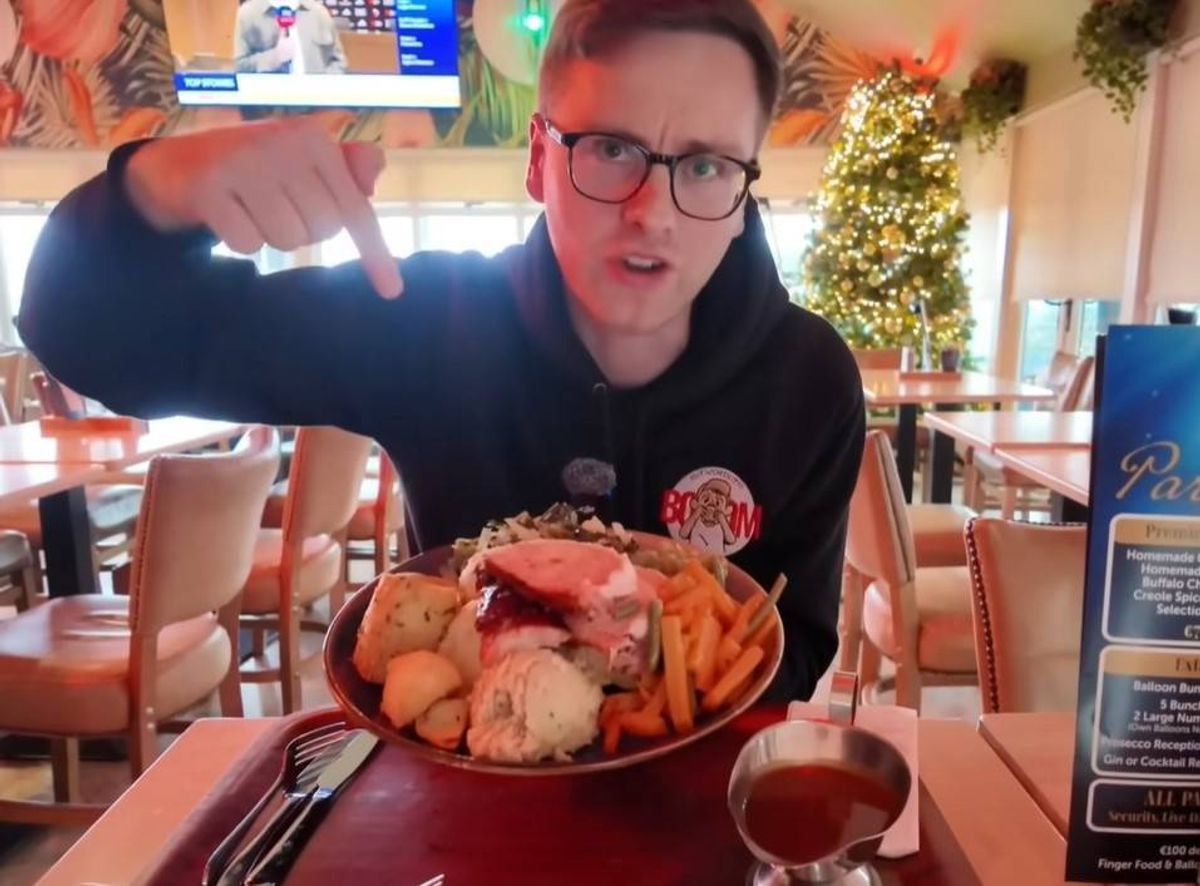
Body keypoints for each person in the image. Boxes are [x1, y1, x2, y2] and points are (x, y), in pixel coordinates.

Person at [19, 0, 865, 702]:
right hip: (458, 801)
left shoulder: (811, 380)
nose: (654, 210)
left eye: (709, 166)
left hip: (700, 816)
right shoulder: (425, 317)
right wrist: (158, 188)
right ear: (539, 159)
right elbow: (90, 336)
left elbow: (797, 645)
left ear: (749, 182)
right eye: (611, 149)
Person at [234, 0, 347, 75]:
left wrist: (323, 88)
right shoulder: (249, 14)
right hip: (269, 107)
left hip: (316, 106)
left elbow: (338, 61)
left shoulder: (318, 13)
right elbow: (239, 67)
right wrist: (274, 57)